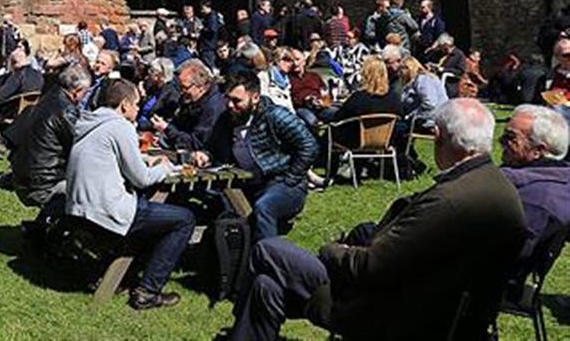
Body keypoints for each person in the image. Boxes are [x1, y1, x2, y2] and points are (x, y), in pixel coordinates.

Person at [227, 99, 525, 341]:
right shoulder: (491, 184)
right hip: (433, 306)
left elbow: (372, 267)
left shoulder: (451, 200)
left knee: (269, 251)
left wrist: (332, 251)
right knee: (266, 285)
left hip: (383, 310)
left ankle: (235, 326)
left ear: (437, 137)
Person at [66, 78, 192, 310]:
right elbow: (142, 178)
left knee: (154, 213)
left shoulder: (90, 123)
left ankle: (127, 274)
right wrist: (164, 167)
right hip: (106, 212)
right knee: (184, 219)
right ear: (124, 104)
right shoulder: (119, 126)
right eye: (136, 104)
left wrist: (145, 161)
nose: (138, 109)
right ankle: (148, 291)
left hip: (79, 209)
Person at [206, 71, 318, 242]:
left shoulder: (275, 116)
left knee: (263, 207)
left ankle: (268, 259)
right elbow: (214, 149)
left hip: (283, 183)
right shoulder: (226, 120)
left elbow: (309, 145)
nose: (230, 105)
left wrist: (292, 177)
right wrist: (204, 155)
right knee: (215, 205)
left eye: (237, 100)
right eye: (228, 99)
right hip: (247, 183)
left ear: (255, 97)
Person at [499, 104, 570, 286]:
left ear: (538, 150)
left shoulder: (536, 198)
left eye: (510, 138)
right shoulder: (561, 180)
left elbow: (510, 253)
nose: (500, 142)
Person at [9, 65, 90, 221]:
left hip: (24, 177)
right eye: (84, 93)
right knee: (94, 190)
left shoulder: (48, 98)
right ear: (77, 91)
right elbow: (80, 145)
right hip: (44, 183)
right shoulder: (65, 110)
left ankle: (42, 228)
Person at [148, 59, 226, 151]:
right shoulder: (189, 99)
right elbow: (179, 126)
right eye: (180, 87)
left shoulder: (212, 107)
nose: (181, 91)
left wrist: (167, 129)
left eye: (185, 88)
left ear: (201, 87)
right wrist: (165, 135)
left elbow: (196, 143)